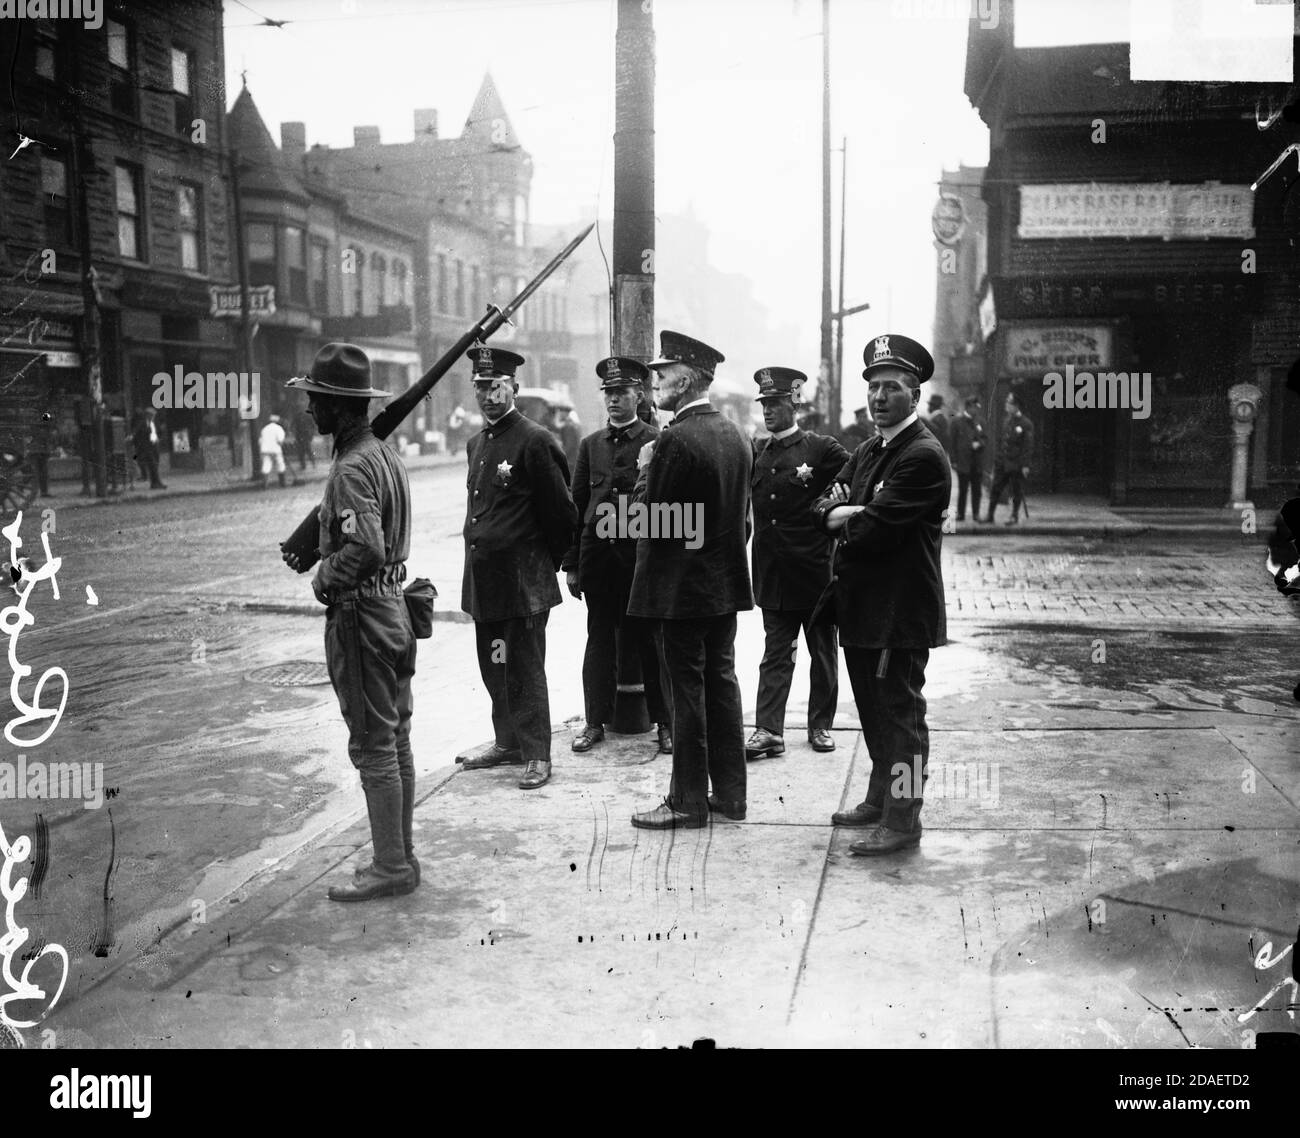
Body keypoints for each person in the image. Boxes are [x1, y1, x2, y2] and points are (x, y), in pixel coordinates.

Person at [283, 343, 418, 901]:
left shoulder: (352, 467)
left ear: (339, 407)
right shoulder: (384, 455)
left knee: (371, 745)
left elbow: (365, 546)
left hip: (362, 616)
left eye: (316, 399)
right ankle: (401, 857)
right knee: (396, 740)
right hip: (394, 612)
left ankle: (390, 867)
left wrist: (323, 579)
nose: (310, 409)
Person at [812, 333, 950, 855]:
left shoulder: (923, 456)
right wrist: (841, 510)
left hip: (899, 610)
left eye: (891, 387)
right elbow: (821, 507)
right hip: (863, 607)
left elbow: (874, 529)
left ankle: (903, 820)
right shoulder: (871, 448)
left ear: (914, 395)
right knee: (872, 710)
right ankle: (879, 799)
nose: (878, 397)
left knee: (900, 717)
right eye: (872, 387)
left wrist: (847, 514)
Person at [628, 330, 753, 828]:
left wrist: (643, 470)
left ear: (683, 381)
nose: (654, 381)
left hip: (680, 594)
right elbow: (741, 522)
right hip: (723, 587)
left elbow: (649, 521)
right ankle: (731, 794)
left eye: (661, 374)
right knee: (721, 686)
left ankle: (687, 801)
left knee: (686, 695)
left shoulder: (673, 440)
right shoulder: (735, 434)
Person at [459, 345, 578, 791]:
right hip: (486, 583)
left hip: (523, 585)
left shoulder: (537, 440)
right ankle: (507, 742)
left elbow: (562, 515)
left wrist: (544, 567)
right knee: (495, 665)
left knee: (525, 668)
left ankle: (536, 754)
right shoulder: (477, 444)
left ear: (515, 387)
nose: (488, 396)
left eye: (496, 386)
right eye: (481, 387)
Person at [564, 357, 671, 756]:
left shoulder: (656, 440)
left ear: (638, 395)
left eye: (621, 393)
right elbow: (576, 507)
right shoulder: (591, 445)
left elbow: (663, 507)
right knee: (599, 641)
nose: (613, 400)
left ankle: (665, 724)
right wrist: (573, 563)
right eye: (608, 393)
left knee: (650, 643)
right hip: (599, 562)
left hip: (640, 563)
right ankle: (594, 722)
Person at [746, 366, 848, 761]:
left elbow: (857, 473)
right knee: (777, 653)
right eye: (765, 403)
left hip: (814, 572)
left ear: (795, 404)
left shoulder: (820, 449)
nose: (769, 410)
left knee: (822, 652)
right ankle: (769, 730)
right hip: (773, 574)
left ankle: (819, 725)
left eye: (776, 403)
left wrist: (838, 503)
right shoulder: (758, 451)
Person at [984, 389, 1034, 525]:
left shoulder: (1026, 423)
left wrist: (1025, 465)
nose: (1006, 405)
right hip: (1003, 462)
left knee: (1016, 491)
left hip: (1016, 464)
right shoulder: (1007, 421)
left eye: (1009, 402)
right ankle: (990, 515)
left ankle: (1014, 516)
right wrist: (997, 461)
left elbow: (1027, 447)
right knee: (995, 488)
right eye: (1006, 402)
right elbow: (1002, 443)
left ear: (1016, 405)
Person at [950, 394, 987, 523]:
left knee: (977, 490)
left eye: (977, 408)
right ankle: (961, 514)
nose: (976, 410)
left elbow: (985, 439)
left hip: (977, 462)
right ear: (968, 407)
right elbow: (952, 444)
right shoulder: (957, 422)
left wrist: (980, 443)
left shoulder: (980, 421)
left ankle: (976, 514)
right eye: (974, 407)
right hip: (963, 462)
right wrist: (953, 461)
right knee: (963, 490)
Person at [259, 414, 297, 489]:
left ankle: (265, 484)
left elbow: (260, 440)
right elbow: (280, 441)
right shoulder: (278, 428)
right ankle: (282, 483)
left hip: (265, 449)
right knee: (280, 465)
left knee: (266, 465)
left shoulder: (265, 429)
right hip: (275, 449)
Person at [131, 408, 166, 489]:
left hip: (155, 446)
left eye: (154, 415)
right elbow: (136, 432)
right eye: (151, 415)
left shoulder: (154, 422)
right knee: (153, 465)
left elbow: (159, 431)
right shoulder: (142, 423)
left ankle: (155, 483)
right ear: (147, 415)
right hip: (147, 448)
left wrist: (158, 439)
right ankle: (157, 483)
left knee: (155, 465)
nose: (153, 417)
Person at [926, 393, 952, 457]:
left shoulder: (936, 420)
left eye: (930, 405)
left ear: (933, 406)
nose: (928, 407)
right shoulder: (941, 418)